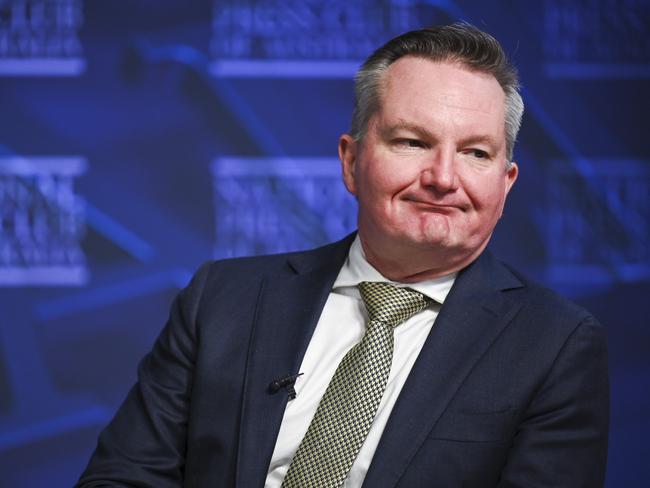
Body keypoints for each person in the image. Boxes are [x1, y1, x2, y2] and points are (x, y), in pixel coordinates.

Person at [77, 23, 609, 487]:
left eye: (476, 153)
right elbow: (122, 477)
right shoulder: (222, 299)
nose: (443, 178)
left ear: (506, 182)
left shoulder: (556, 345)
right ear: (351, 162)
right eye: (412, 142)